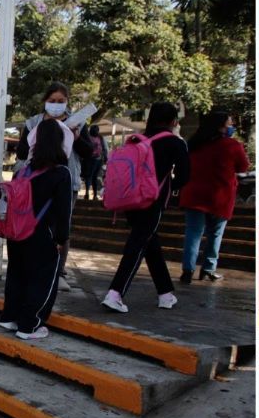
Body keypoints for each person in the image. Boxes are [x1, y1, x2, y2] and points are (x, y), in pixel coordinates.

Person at [103, 102, 190, 313]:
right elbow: (185, 175)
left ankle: (166, 294)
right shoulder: (175, 143)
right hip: (153, 200)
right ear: (173, 121)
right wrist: (170, 186)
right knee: (138, 245)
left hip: (130, 200)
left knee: (150, 244)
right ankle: (115, 293)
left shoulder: (138, 139)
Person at [0, 119, 72, 340]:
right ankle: (30, 325)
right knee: (41, 279)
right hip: (41, 234)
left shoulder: (22, 170)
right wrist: (62, 239)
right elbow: (63, 212)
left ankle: (10, 318)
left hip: (17, 232)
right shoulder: (61, 173)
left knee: (17, 274)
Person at [17, 82, 92, 292]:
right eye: (52, 101)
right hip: (35, 182)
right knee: (33, 224)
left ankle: (58, 272)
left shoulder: (78, 123)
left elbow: (88, 152)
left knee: (61, 227)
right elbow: (22, 151)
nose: (57, 105)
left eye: (61, 101)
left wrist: (75, 138)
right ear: (45, 101)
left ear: (67, 102)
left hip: (66, 181)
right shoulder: (33, 123)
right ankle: (32, 267)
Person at [178, 112, 250, 283]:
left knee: (193, 234)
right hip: (219, 196)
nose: (231, 126)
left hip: (194, 194)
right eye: (229, 123)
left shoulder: (193, 144)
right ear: (220, 126)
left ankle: (187, 271)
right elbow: (243, 167)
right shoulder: (232, 145)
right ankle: (209, 269)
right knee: (215, 235)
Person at [84, 125, 107, 200]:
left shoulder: (100, 137)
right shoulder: (88, 137)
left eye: (97, 130)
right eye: (95, 130)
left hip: (98, 160)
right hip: (89, 160)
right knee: (89, 176)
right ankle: (87, 193)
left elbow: (103, 147)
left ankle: (95, 195)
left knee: (95, 177)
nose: (96, 131)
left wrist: (104, 157)